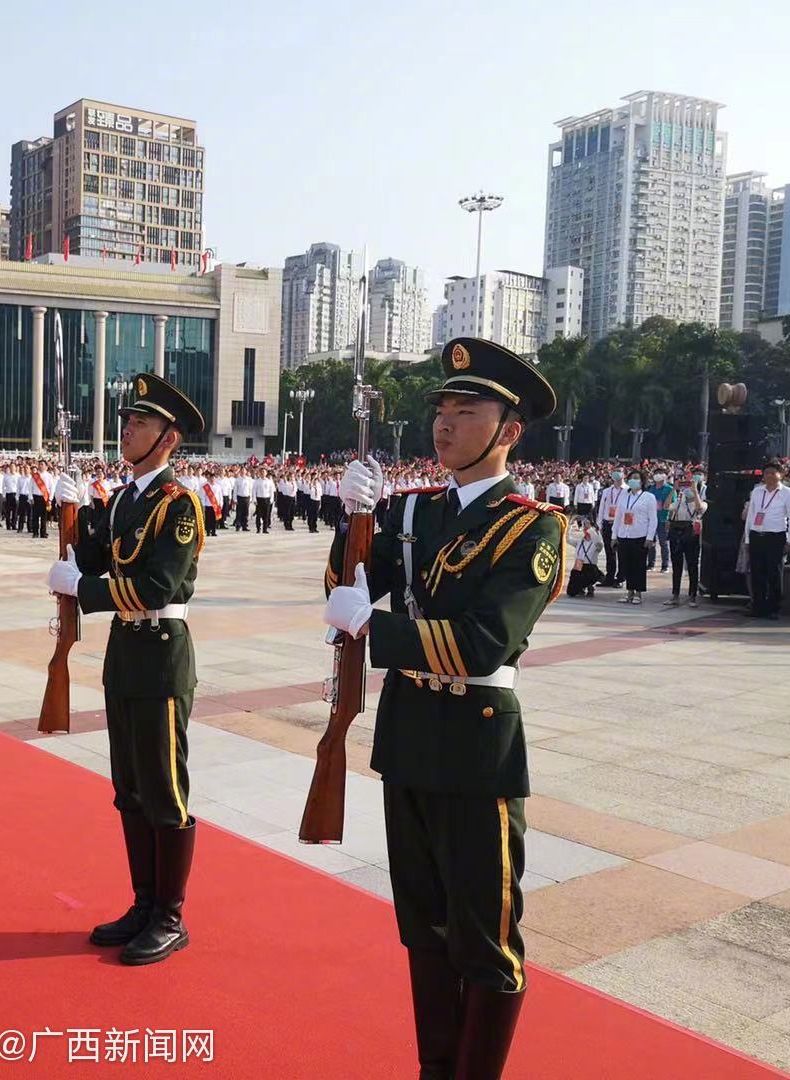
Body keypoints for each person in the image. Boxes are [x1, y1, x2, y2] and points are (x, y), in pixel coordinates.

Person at [323, 338, 566, 1078]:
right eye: (442, 410)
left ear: (509, 432)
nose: (446, 424)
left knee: (485, 940)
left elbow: (484, 643)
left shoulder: (533, 528)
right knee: (423, 927)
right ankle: (437, 1068)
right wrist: (350, 521)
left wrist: (376, 626)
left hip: (475, 746)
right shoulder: (415, 513)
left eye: (468, 411)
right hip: (410, 740)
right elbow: (350, 587)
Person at [47, 373, 206, 967]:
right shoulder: (122, 500)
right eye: (127, 420)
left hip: (162, 651)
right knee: (129, 790)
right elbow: (91, 558)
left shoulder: (178, 504)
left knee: (164, 789)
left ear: (168, 438)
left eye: (140, 423)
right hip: (125, 653)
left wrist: (84, 587)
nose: (126, 429)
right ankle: (144, 903)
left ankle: (171, 914)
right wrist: (72, 513)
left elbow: (157, 583)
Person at [743, 461, 790, 619]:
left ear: (781, 474)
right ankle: (758, 606)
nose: (769, 476)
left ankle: (773, 608)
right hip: (756, 535)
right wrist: (747, 539)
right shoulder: (757, 492)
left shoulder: (787, 493)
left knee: (774, 573)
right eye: (766, 473)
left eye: (773, 472)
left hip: (775, 536)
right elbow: (751, 516)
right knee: (757, 573)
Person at [613, 469, 658, 605]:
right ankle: (629, 592)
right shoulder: (624, 496)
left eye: (637, 478)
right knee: (626, 564)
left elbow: (653, 519)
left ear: (642, 481)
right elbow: (618, 517)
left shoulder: (648, 497)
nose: (633, 480)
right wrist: (614, 535)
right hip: (624, 534)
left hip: (640, 535)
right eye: (631, 478)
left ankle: (638, 593)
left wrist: (650, 537)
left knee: (638, 565)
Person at [664, 472, 705, 608]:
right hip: (676, 531)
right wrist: (673, 490)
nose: (687, 490)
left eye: (690, 487)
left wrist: (695, 491)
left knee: (692, 565)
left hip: (691, 532)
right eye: (686, 486)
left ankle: (693, 595)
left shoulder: (701, 502)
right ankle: (675, 595)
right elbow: (666, 506)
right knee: (676, 565)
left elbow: (699, 508)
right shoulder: (679, 501)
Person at [596, 469, 624, 588]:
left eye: (619, 472)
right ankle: (610, 577)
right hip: (608, 523)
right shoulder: (607, 491)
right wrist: (600, 524)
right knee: (609, 552)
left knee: (621, 552)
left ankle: (621, 578)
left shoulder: (627, 490)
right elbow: (601, 507)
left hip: (622, 524)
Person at [646, 469, 676, 572]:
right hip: (651, 520)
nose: (658, 476)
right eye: (656, 473)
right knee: (651, 542)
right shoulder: (650, 489)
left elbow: (674, 505)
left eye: (660, 473)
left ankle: (665, 565)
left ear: (666, 476)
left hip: (663, 519)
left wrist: (670, 520)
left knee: (663, 543)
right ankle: (651, 564)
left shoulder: (670, 489)